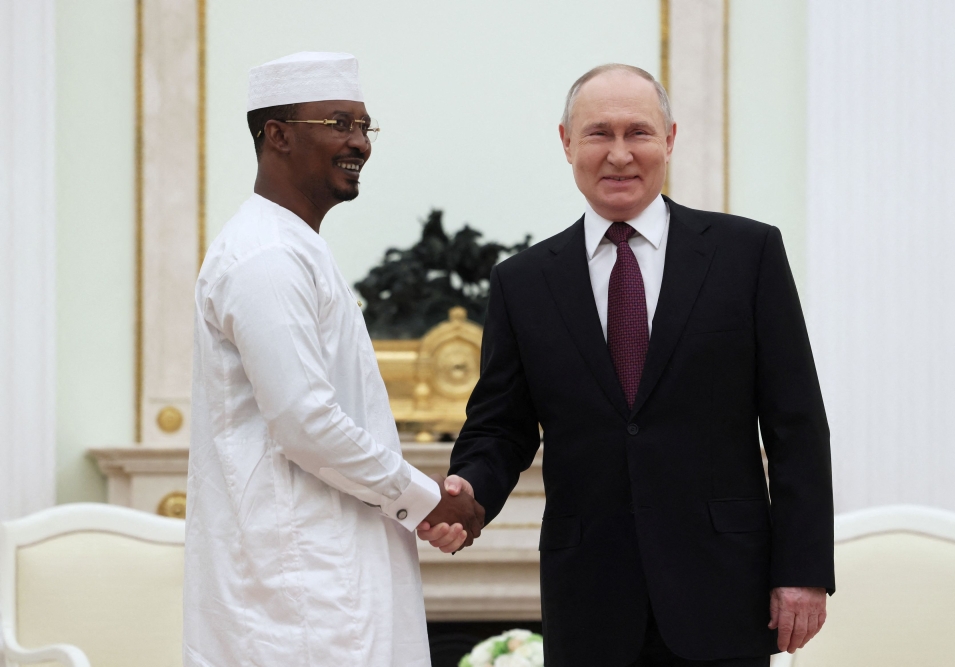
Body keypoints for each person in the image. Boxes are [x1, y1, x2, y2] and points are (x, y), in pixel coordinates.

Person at [427, 64, 835, 666]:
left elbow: (796, 425)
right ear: (566, 143)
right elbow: (501, 427)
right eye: (598, 134)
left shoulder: (748, 255)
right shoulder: (523, 282)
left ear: (669, 139)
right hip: (590, 600)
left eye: (638, 133)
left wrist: (803, 570)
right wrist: (469, 491)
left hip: (723, 592)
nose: (620, 155)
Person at [183, 52, 484, 667]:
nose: (359, 143)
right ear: (278, 136)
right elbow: (306, 424)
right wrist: (428, 500)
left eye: (364, 126)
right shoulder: (265, 256)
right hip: (299, 595)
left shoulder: (296, 247)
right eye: (339, 123)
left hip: (325, 581)